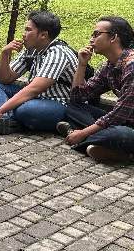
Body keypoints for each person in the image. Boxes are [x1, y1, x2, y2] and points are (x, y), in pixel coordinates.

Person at [0, 11, 77, 134]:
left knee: (25, 110)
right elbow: (5, 79)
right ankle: (5, 121)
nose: (24, 34)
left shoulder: (58, 53)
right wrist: (5, 54)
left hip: (58, 103)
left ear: (43, 35)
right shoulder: (31, 50)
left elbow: (33, 89)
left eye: (28, 30)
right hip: (35, 98)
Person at [56, 16, 134, 164]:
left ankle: (83, 140)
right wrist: (82, 65)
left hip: (125, 125)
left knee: (120, 134)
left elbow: (119, 114)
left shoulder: (131, 66)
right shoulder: (110, 66)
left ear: (113, 38)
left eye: (96, 34)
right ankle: (101, 145)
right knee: (72, 108)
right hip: (125, 122)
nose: (91, 39)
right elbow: (77, 98)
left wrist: (83, 133)